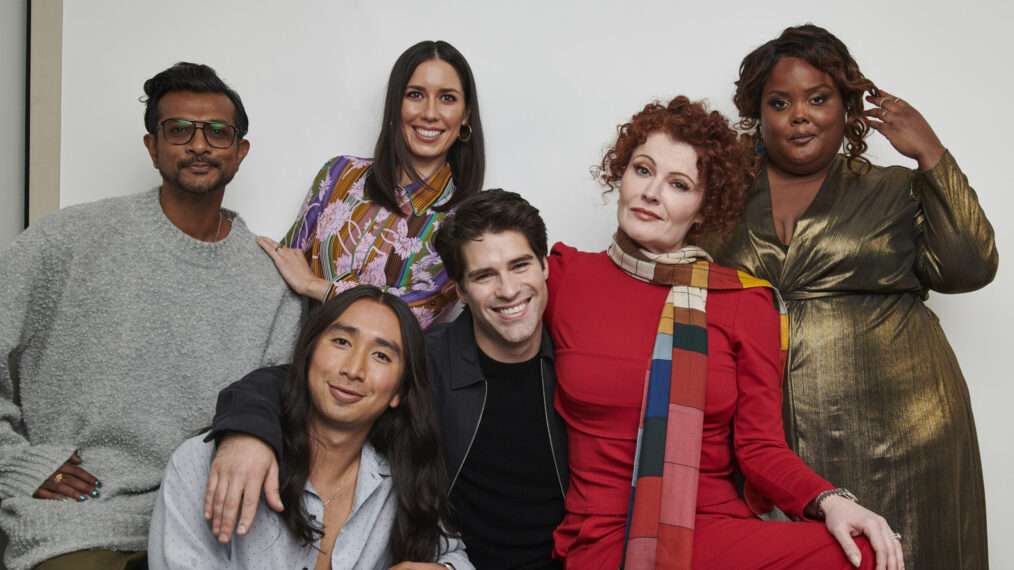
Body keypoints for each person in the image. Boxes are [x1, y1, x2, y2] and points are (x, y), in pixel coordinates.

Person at [547, 96, 903, 569]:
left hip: (711, 529)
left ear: (702, 210)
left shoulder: (741, 301)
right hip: (606, 534)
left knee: (859, 553)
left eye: (678, 184)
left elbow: (760, 448)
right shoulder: (566, 277)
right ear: (622, 176)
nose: (652, 193)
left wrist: (832, 501)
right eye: (642, 170)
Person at [715, 24, 997, 569]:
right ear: (759, 114)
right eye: (780, 102)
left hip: (906, 428)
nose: (799, 115)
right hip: (770, 436)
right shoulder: (724, 193)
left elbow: (969, 267)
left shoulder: (893, 187)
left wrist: (931, 155)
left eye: (818, 99)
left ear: (847, 108)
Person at [0, 62, 303, 569]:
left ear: (239, 152)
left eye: (217, 133)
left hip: (217, 529)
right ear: (152, 146)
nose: (199, 145)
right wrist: (17, 463)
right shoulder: (65, 242)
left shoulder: (272, 282)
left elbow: (278, 408)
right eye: (179, 130)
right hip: (82, 520)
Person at [203, 190, 568, 569]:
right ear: (460, 290)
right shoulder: (423, 361)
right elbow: (307, 379)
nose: (508, 290)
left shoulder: (579, 357)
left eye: (520, 265)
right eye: (484, 275)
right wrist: (247, 432)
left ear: (544, 266)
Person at [149, 287, 471, 569]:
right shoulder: (202, 463)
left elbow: (455, 554)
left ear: (398, 392)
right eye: (342, 341)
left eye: (381, 356)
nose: (354, 369)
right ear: (309, 353)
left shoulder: (401, 483)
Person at [257, 40, 485, 328]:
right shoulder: (340, 174)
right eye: (415, 94)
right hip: (298, 361)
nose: (430, 112)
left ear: (465, 115)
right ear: (395, 105)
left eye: (447, 98)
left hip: (388, 371)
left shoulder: (468, 222)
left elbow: (415, 312)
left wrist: (314, 286)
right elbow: (284, 265)